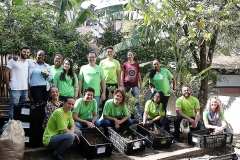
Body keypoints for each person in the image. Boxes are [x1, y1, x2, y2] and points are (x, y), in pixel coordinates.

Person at [42, 96, 81, 160]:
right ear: (63, 103)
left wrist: (73, 134)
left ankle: (61, 146)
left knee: (78, 132)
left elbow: (73, 125)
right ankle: (56, 153)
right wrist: (73, 135)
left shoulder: (69, 112)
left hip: (59, 135)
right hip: (49, 139)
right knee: (71, 136)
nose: (70, 106)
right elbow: (64, 129)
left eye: (72, 104)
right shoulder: (59, 112)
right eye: (69, 103)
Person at [4, 45, 30, 119]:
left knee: (23, 109)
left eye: (27, 52)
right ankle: (12, 127)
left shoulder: (28, 62)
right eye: (24, 51)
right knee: (13, 108)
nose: (26, 53)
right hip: (15, 89)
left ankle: (20, 126)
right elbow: (6, 73)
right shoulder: (13, 61)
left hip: (25, 89)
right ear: (20, 51)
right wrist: (8, 85)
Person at [121, 50, 143, 119]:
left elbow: (139, 75)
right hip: (126, 85)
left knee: (137, 101)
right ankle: (126, 115)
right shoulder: (125, 64)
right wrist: (122, 86)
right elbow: (122, 75)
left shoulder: (136, 64)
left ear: (133, 56)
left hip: (135, 85)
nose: (130, 56)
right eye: (129, 55)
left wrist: (141, 85)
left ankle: (140, 117)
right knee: (125, 100)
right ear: (127, 56)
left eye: (131, 55)